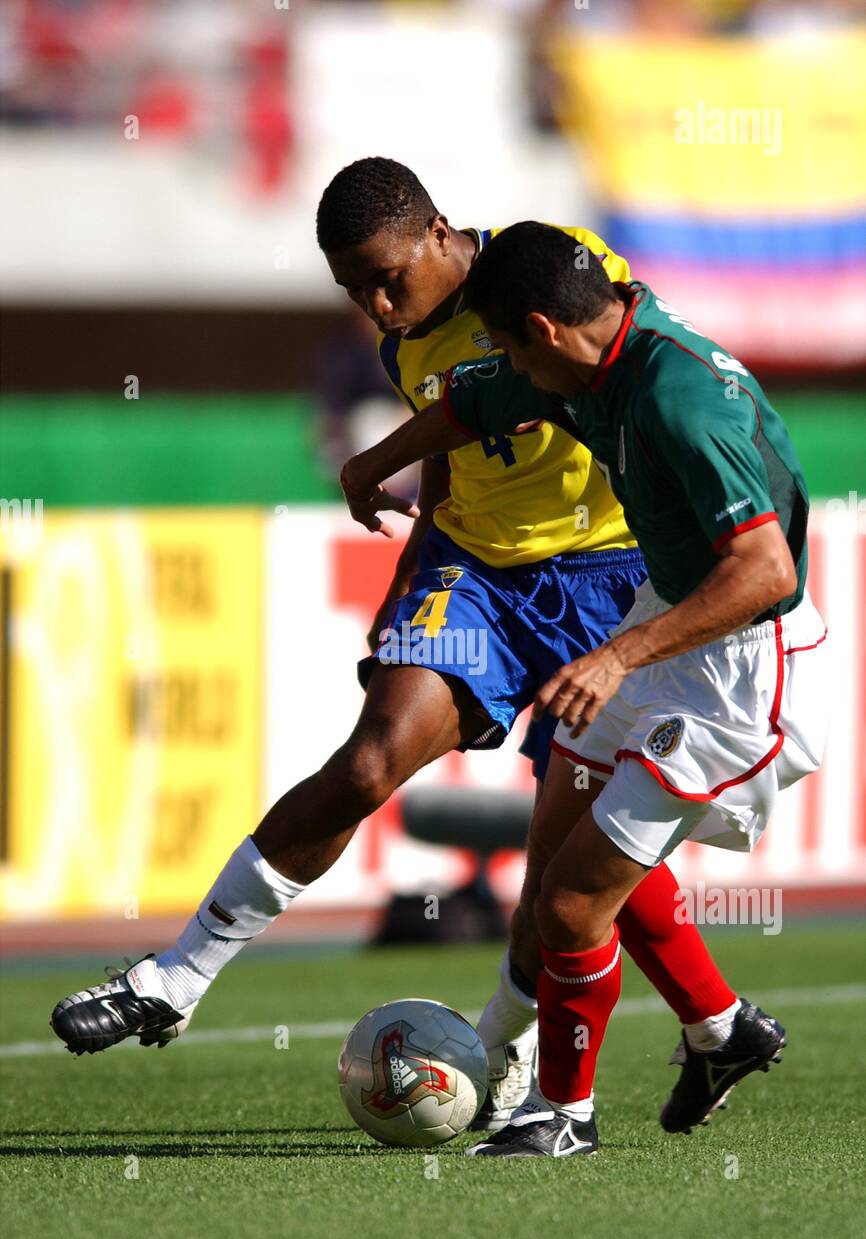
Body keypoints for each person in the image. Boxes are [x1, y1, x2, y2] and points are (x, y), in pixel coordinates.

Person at [49, 170, 741, 1138]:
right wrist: (406, 568)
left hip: (612, 575)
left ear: (439, 235)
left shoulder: (552, 270)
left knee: (569, 860)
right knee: (370, 758)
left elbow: (650, 360)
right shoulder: (399, 336)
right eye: (352, 289)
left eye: (384, 278)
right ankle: (175, 977)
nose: (376, 305)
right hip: (479, 572)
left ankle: (530, 1054)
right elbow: (462, 443)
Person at [338, 221, 829, 1157]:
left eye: (511, 344)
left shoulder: (684, 402)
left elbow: (766, 573)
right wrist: (372, 463)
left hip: (733, 666)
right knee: (556, 864)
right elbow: (475, 404)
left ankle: (564, 1117)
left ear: (543, 329)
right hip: (663, 619)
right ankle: (721, 1031)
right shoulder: (578, 354)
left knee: (568, 905)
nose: (509, 366)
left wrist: (618, 656)